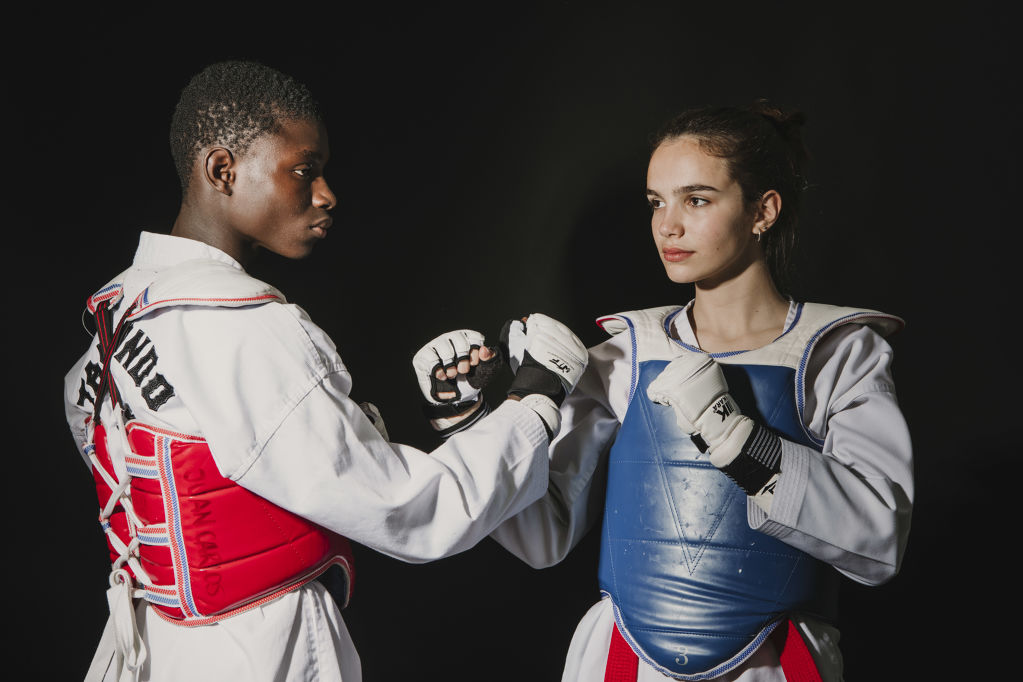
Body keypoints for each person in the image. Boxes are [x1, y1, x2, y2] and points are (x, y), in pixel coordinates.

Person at [63, 59, 589, 682]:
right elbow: (409, 511)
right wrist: (533, 400)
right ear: (222, 171)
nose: (326, 193)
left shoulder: (116, 312)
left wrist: (456, 418)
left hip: (146, 650)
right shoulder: (240, 325)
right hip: (259, 649)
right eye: (303, 170)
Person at [415, 101, 913, 681]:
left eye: (696, 200)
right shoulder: (627, 353)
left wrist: (746, 445)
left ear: (763, 210)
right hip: (625, 661)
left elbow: (880, 539)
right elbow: (543, 535)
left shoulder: (836, 351)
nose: (667, 226)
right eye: (657, 202)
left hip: (770, 664)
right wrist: (471, 417)